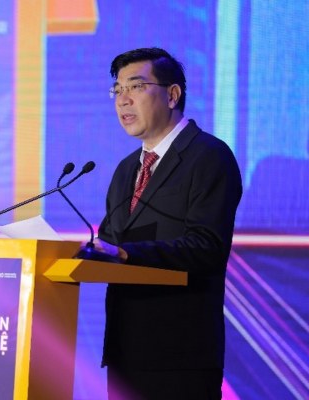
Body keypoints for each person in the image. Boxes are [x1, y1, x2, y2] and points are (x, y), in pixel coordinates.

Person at [85, 47, 243, 399]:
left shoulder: (209, 157)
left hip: (180, 356)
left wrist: (127, 254)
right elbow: (111, 241)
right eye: (117, 90)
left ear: (172, 95)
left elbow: (207, 247)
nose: (123, 100)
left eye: (136, 87)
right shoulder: (126, 169)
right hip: (126, 351)